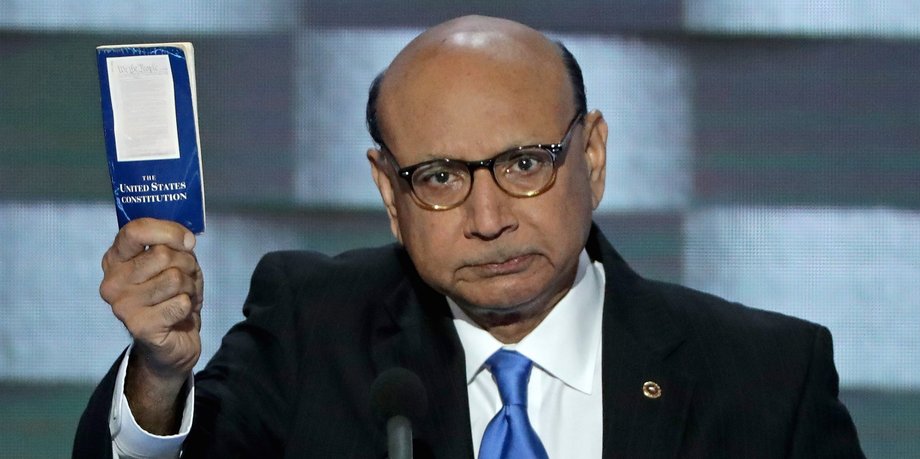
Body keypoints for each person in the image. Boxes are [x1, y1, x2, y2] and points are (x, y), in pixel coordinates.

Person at [74, 15, 865, 458]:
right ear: (390, 192)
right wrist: (159, 376)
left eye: (525, 163)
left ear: (591, 154)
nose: (488, 219)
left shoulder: (766, 377)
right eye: (442, 178)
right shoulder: (311, 327)